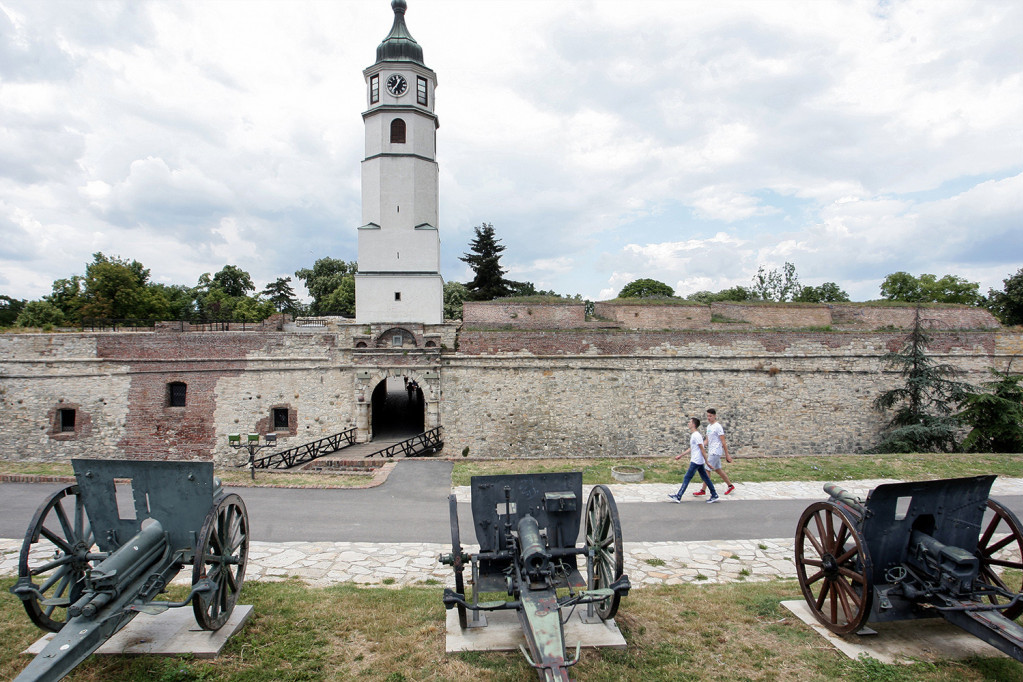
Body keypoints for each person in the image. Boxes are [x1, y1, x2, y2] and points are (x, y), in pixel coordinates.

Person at [668, 417, 719, 504]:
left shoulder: (696, 436)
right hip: (698, 460)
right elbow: (692, 448)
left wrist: (707, 462)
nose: (688, 423)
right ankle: (714, 495)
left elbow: (702, 449)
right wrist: (681, 455)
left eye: (690, 422)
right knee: (705, 478)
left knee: (687, 477)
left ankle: (678, 496)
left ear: (694, 425)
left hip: (696, 461)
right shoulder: (694, 435)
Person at [695, 407, 735, 496]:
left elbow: (723, 441)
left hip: (716, 451)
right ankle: (730, 485)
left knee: (707, 470)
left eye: (710, 416)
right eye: (708, 416)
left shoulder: (718, 426)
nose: (709, 418)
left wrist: (727, 455)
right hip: (711, 450)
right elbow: (707, 440)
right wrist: (699, 446)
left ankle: (703, 490)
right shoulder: (709, 427)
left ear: (714, 416)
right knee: (718, 470)